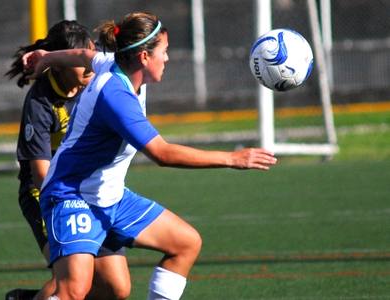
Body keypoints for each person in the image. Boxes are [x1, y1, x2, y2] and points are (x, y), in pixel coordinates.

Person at [22, 12, 277, 300]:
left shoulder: (111, 64)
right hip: (71, 196)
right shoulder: (115, 96)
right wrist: (232, 159)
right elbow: (162, 153)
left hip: (110, 198)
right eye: (164, 52)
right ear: (144, 56)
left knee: (185, 244)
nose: (167, 58)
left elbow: (81, 54)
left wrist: (47, 57)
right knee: (73, 289)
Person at [5, 20, 131, 300]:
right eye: (78, 58)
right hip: (48, 194)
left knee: (116, 288)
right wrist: (74, 204)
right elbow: (41, 173)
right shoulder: (40, 102)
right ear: (59, 63)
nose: (88, 63)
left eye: (88, 53)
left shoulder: (96, 75)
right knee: (72, 281)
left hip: (92, 192)